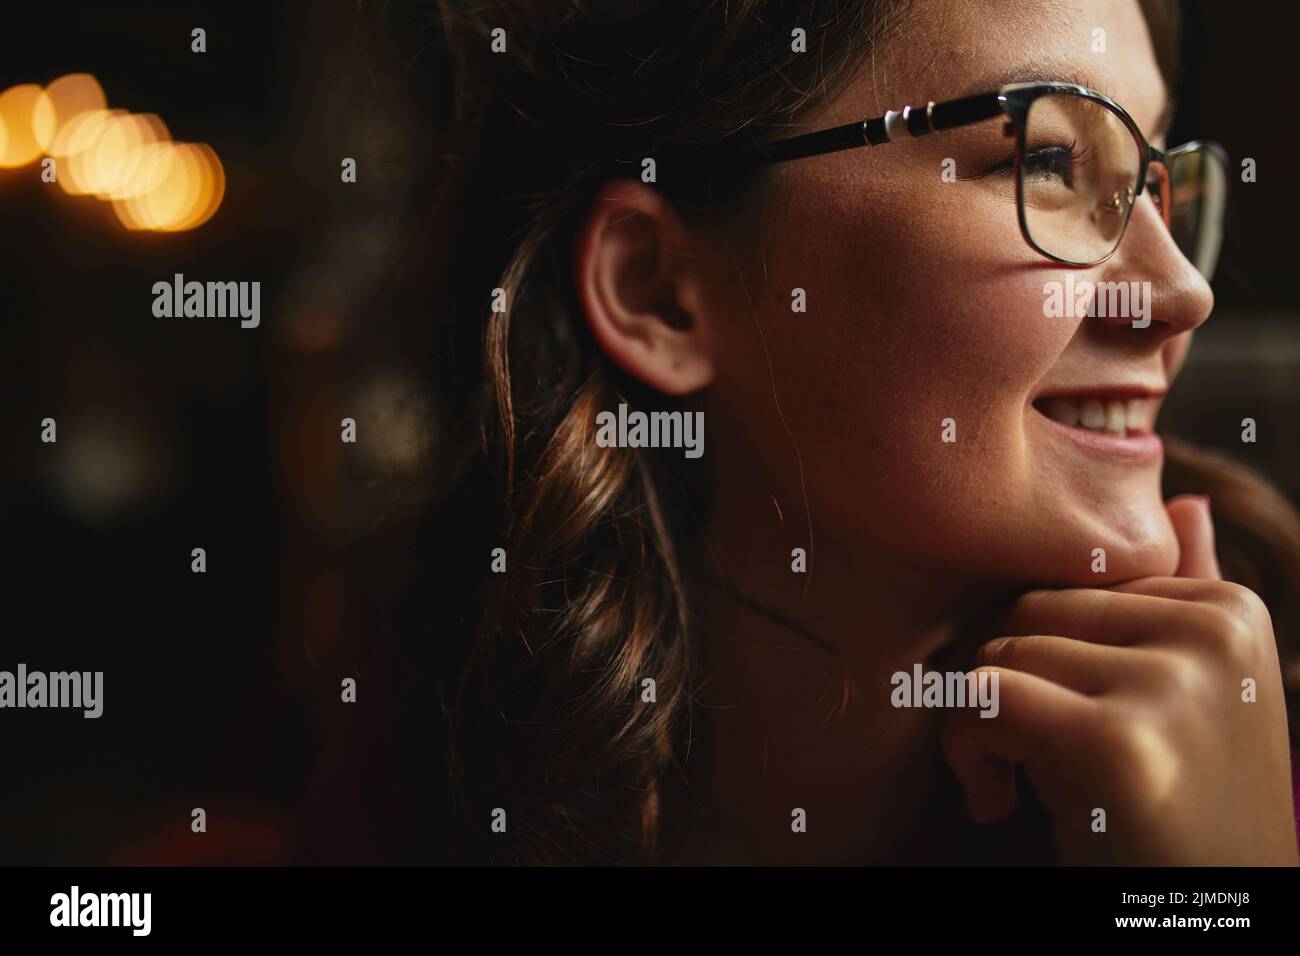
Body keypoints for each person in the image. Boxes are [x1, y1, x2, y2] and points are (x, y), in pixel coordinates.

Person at [398, 0, 1300, 865]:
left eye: (1152, 183)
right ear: (660, 290)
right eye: (1050, 165)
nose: (1183, 294)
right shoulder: (390, 789)